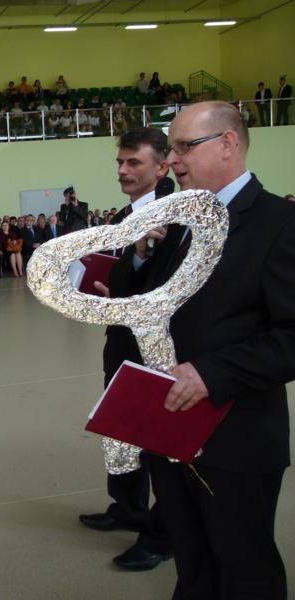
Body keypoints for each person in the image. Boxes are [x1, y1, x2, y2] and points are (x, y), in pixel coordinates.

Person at [147, 101, 295, 598]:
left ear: (228, 144)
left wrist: (211, 373)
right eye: (170, 150)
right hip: (171, 430)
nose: (173, 161)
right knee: (193, 564)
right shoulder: (181, 224)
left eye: (185, 146)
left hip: (237, 439)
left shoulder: (279, 224)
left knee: (244, 569)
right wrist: (142, 253)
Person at [79, 127, 172, 571]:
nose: (123, 170)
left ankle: (162, 532)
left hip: (153, 344)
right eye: (120, 162)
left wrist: (121, 285)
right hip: (119, 336)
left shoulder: (173, 213)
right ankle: (127, 506)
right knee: (120, 428)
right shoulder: (125, 214)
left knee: (156, 439)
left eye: (134, 162)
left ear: (162, 164)